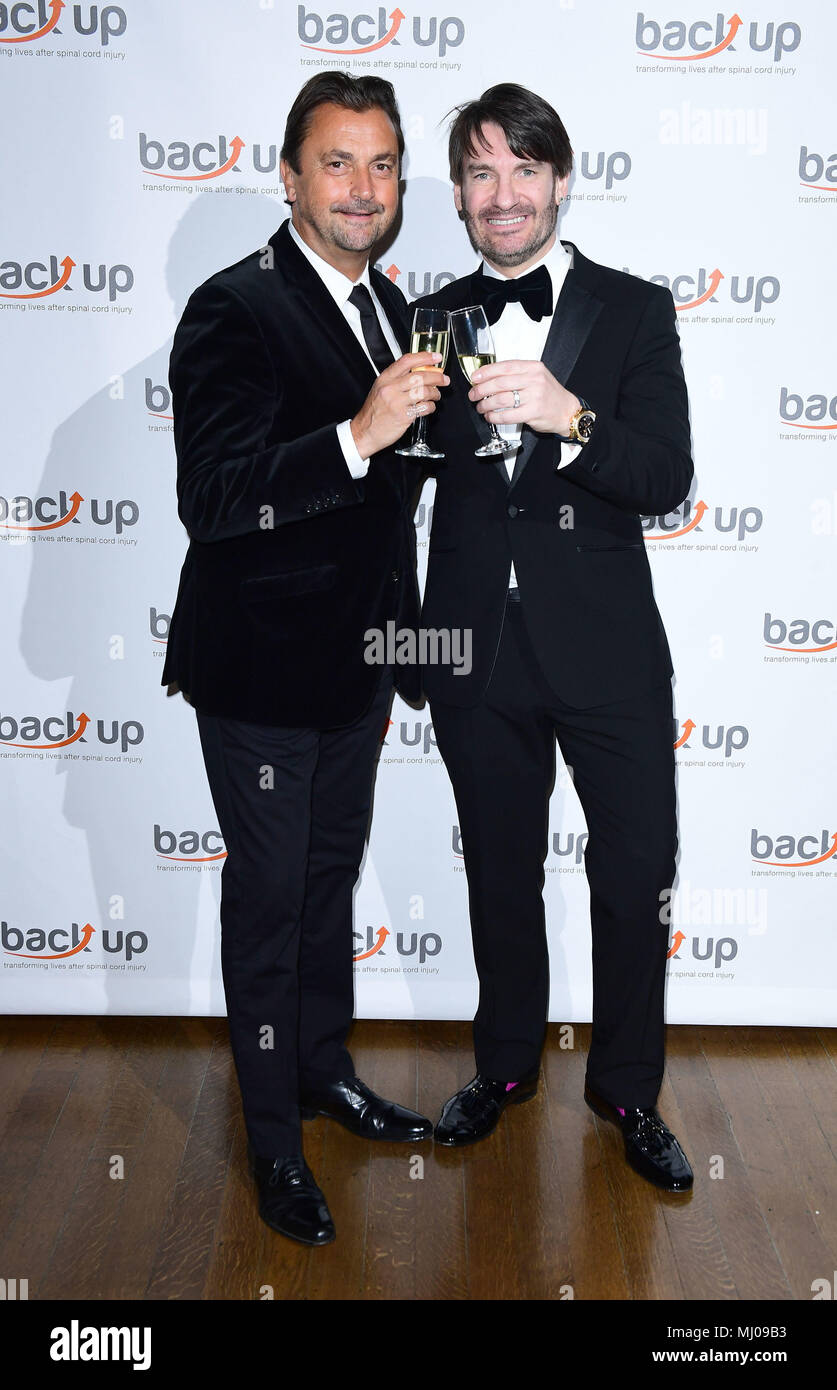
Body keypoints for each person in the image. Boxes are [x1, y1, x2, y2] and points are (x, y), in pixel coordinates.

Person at [162, 72, 448, 1245]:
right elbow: (218, 500)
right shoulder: (235, 308)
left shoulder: (385, 303)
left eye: (383, 165)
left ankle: (323, 1070)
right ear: (288, 177)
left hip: (356, 664)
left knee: (326, 882)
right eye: (339, 163)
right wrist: (359, 432)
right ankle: (274, 1141)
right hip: (263, 673)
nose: (364, 188)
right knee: (272, 904)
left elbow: (383, 496)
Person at [416, 84, 694, 1191]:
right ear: (457, 196)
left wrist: (566, 415)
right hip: (476, 652)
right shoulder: (424, 311)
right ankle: (502, 1068)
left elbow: (666, 477)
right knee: (496, 870)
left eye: (524, 169)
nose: (505, 194)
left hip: (611, 650)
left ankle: (629, 1087)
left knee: (637, 873)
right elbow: (397, 480)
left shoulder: (634, 308)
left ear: (561, 180)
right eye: (481, 174)